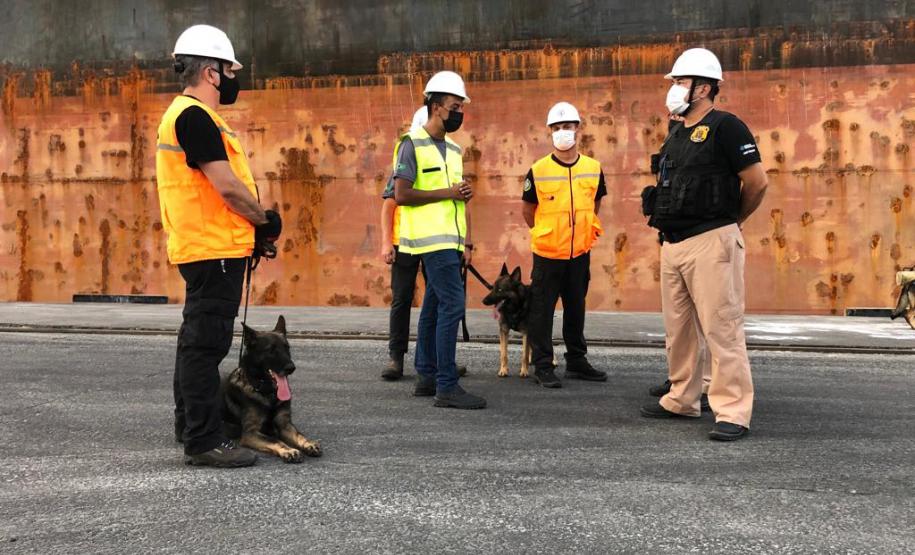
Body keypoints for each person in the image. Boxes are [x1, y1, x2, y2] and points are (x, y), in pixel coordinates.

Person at [157, 25, 281, 466]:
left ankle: (189, 425)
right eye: (230, 70)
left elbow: (215, 195)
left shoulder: (189, 116)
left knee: (195, 342)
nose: (233, 78)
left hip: (212, 248)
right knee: (205, 347)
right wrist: (265, 222)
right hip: (212, 252)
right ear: (211, 73)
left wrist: (253, 236)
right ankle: (204, 441)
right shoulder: (194, 116)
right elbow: (226, 187)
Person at [639, 48, 768, 441]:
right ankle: (682, 398)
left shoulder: (727, 127)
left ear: (704, 87)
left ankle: (732, 410)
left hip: (712, 239)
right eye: (675, 82)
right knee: (678, 330)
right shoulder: (676, 130)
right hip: (673, 243)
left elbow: (757, 182)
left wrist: (733, 224)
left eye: (680, 82)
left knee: (721, 328)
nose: (674, 89)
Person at [393, 71, 485, 409]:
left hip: (451, 241)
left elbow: (455, 198)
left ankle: (426, 375)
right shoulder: (410, 144)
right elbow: (401, 194)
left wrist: (466, 235)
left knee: (434, 305)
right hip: (430, 242)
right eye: (454, 106)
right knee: (452, 306)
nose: (459, 113)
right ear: (435, 107)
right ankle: (447, 385)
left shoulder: (455, 150)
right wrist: (448, 191)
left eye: (461, 107)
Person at [521, 102, 608, 388]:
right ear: (550, 132)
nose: (562, 133)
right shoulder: (538, 170)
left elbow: (594, 203)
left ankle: (577, 361)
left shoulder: (593, 168)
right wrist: (547, 233)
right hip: (547, 254)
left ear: (577, 129)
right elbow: (527, 210)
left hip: (579, 252)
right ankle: (543, 365)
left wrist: (578, 232)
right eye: (557, 128)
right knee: (541, 311)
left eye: (567, 127)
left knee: (576, 307)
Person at [380, 107, 466, 381]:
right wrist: (386, 243)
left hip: (436, 239)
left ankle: (433, 365)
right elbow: (391, 204)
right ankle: (398, 357)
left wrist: (467, 242)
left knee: (435, 301)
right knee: (402, 298)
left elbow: (457, 200)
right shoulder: (408, 153)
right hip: (405, 240)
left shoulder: (450, 153)